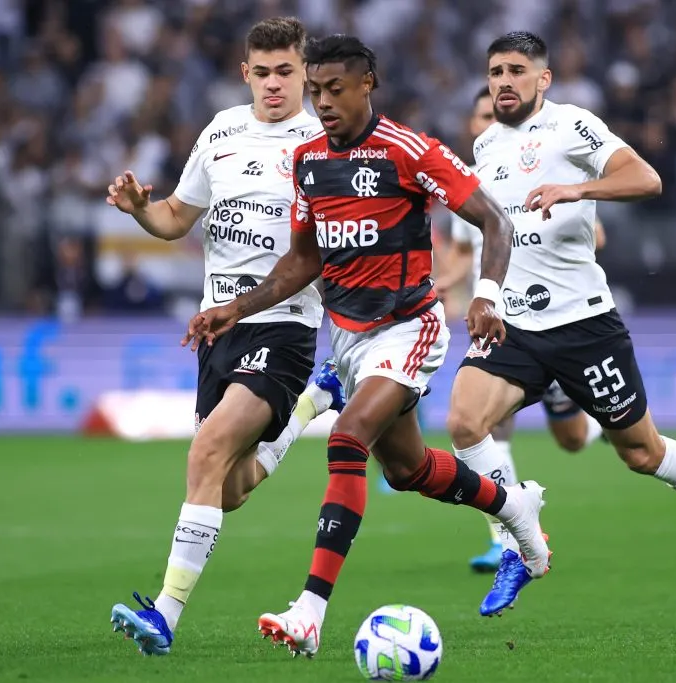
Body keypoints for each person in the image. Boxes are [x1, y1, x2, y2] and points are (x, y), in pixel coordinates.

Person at [184, 34, 551, 659]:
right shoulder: (308, 161)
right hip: (349, 339)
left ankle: (309, 611)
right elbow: (302, 261)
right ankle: (515, 507)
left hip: (411, 327)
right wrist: (236, 308)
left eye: (334, 89)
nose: (322, 102)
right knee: (407, 470)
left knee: (345, 438)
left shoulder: (408, 150)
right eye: (317, 90)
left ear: (366, 85)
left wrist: (487, 294)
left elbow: (494, 219)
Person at [444, 32, 676, 617]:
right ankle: (523, 540)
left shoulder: (573, 126)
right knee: (465, 422)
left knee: (641, 454)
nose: (504, 82)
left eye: (517, 71)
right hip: (515, 324)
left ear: (543, 79)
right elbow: (494, 234)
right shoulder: (485, 145)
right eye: (495, 72)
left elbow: (647, 180)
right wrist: (484, 294)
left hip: (585, 325)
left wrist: (578, 188)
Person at [104, 18, 345, 656]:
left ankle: (164, 615)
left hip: (284, 325)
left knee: (206, 452)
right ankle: (311, 407)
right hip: (218, 327)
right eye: (261, 72)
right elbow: (177, 217)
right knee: (228, 487)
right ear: (246, 73)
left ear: (304, 72)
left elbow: (331, 248)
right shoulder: (221, 131)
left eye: (285, 72)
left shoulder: (324, 143)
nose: (273, 84)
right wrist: (138, 211)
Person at [437, 87, 610, 573]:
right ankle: (507, 536)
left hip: (552, 320)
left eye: (494, 113)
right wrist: (436, 286)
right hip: (498, 323)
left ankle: (606, 428)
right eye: (480, 115)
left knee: (571, 438)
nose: (487, 122)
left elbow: (594, 234)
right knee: (482, 426)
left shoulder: (538, 169)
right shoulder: (468, 184)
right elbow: (465, 257)